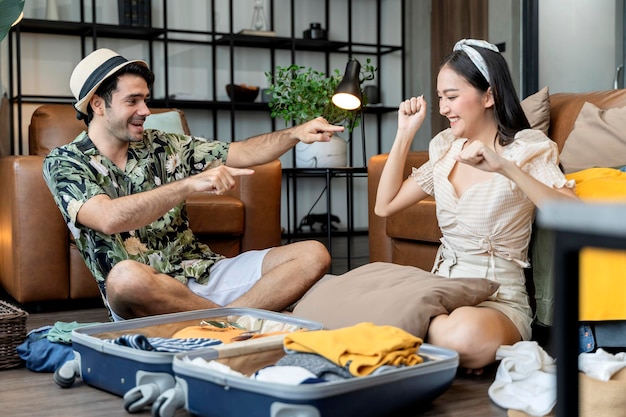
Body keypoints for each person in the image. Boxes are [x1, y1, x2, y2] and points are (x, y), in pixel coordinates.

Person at [43, 48, 344, 321]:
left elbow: (242, 152)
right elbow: (109, 219)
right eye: (132, 101)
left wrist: (295, 134)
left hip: (205, 274)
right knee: (124, 278)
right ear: (98, 104)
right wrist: (189, 184)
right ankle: (241, 318)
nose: (146, 110)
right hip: (148, 293)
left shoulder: (163, 144)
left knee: (313, 254)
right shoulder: (65, 162)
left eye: (145, 99)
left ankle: (229, 321)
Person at [374, 39, 578, 371]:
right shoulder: (446, 147)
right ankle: (422, 331)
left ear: (489, 95)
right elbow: (385, 205)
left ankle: (415, 333)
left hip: (497, 301)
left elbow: (573, 214)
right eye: (440, 97)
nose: (442, 108)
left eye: (452, 97)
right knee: (370, 291)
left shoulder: (525, 149)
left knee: (463, 336)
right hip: (441, 290)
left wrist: (504, 167)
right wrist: (404, 134)